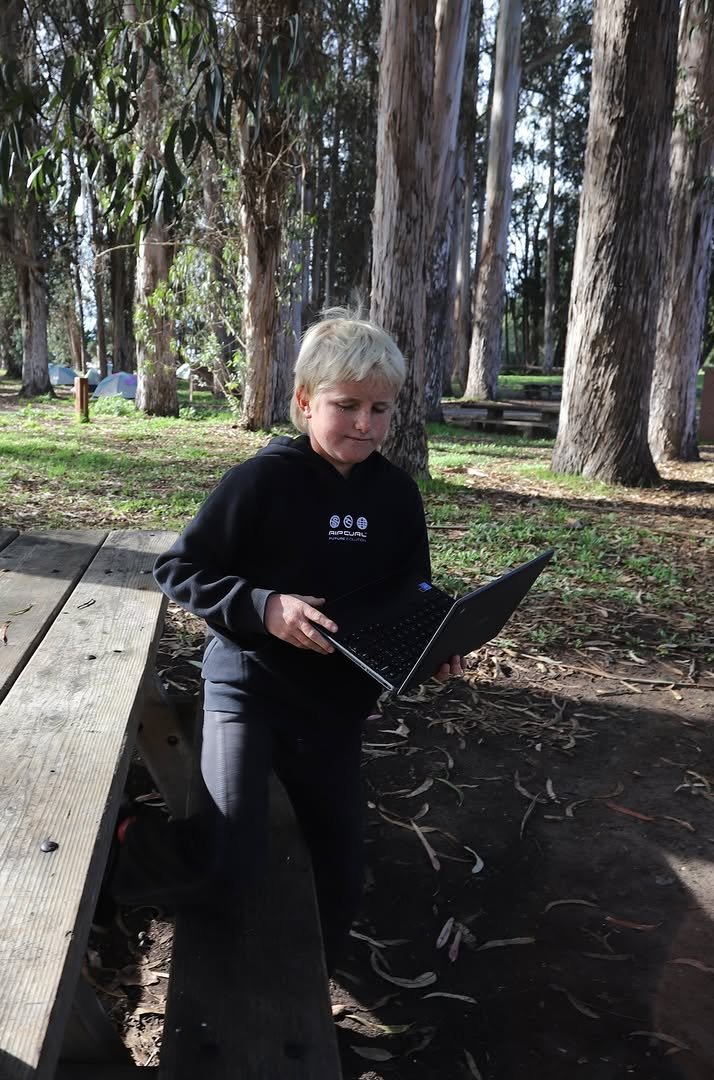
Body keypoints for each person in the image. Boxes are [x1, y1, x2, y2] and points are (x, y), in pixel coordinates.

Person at [111, 308, 462, 972]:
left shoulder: (396, 496)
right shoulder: (261, 481)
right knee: (227, 860)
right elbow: (178, 569)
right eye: (346, 405)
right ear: (304, 403)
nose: (364, 423)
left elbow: (412, 594)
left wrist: (434, 644)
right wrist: (264, 607)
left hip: (334, 707)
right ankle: (129, 839)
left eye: (380, 408)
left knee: (342, 866)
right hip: (249, 689)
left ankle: (310, 983)